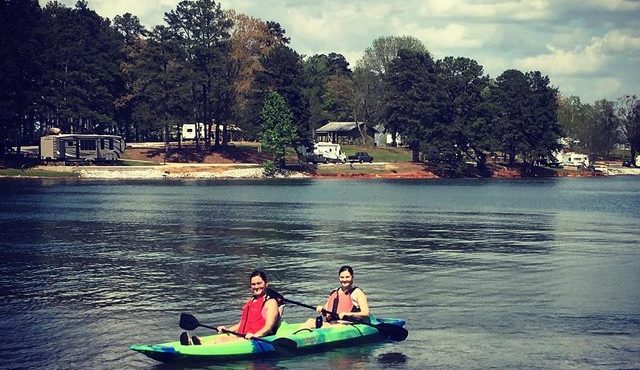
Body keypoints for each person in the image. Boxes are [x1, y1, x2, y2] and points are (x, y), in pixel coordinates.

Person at [181, 270, 283, 345]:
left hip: (255, 339)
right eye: (253, 284)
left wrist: (256, 335)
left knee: (221, 341)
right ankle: (196, 341)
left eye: (259, 283)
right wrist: (227, 329)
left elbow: (269, 326)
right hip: (243, 335)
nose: (256, 287)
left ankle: (198, 345)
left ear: (266, 284)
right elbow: (242, 324)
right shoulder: (251, 301)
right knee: (221, 337)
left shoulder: (270, 302)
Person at [304, 265, 370, 328]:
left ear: (352, 277)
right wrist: (322, 309)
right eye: (342, 277)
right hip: (331, 323)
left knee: (329, 327)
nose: (344, 280)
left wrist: (348, 314)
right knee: (310, 321)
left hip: (347, 325)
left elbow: (366, 313)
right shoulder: (335, 292)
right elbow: (326, 310)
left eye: (347, 277)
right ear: (339, 278)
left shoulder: (357, 293)